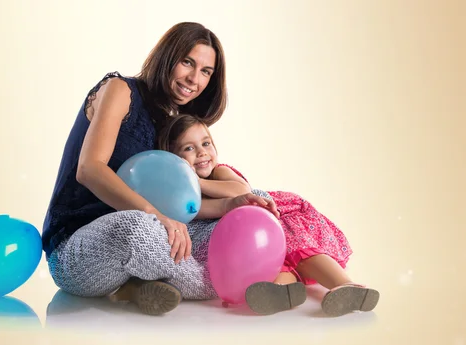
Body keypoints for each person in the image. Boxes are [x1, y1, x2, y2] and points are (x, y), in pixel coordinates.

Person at [42, 22, 280, 316]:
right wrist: (155, 215)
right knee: (137, 227)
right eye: (187, 62)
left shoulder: (174, 120)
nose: (194, 78)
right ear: (168, 57)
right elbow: (89, 170)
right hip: (77, 250)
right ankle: (239, 285)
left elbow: (181, 208)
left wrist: (231, 204)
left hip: (149, 236)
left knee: (251, 202)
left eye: (206, 72)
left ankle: (144, 286)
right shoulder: (120, 89)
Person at [158, 113, 381, 317]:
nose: (202, 152)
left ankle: (346, 285)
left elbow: (242, 191)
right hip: (257, 235)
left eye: (206, 143)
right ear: (174, 159)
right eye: (189, 148)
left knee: (297, 249)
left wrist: (197, 182)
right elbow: (195, 213)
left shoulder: (219, 172)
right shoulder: (183, 198)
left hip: (279, 213)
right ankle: (282, 291)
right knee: (276, 260)